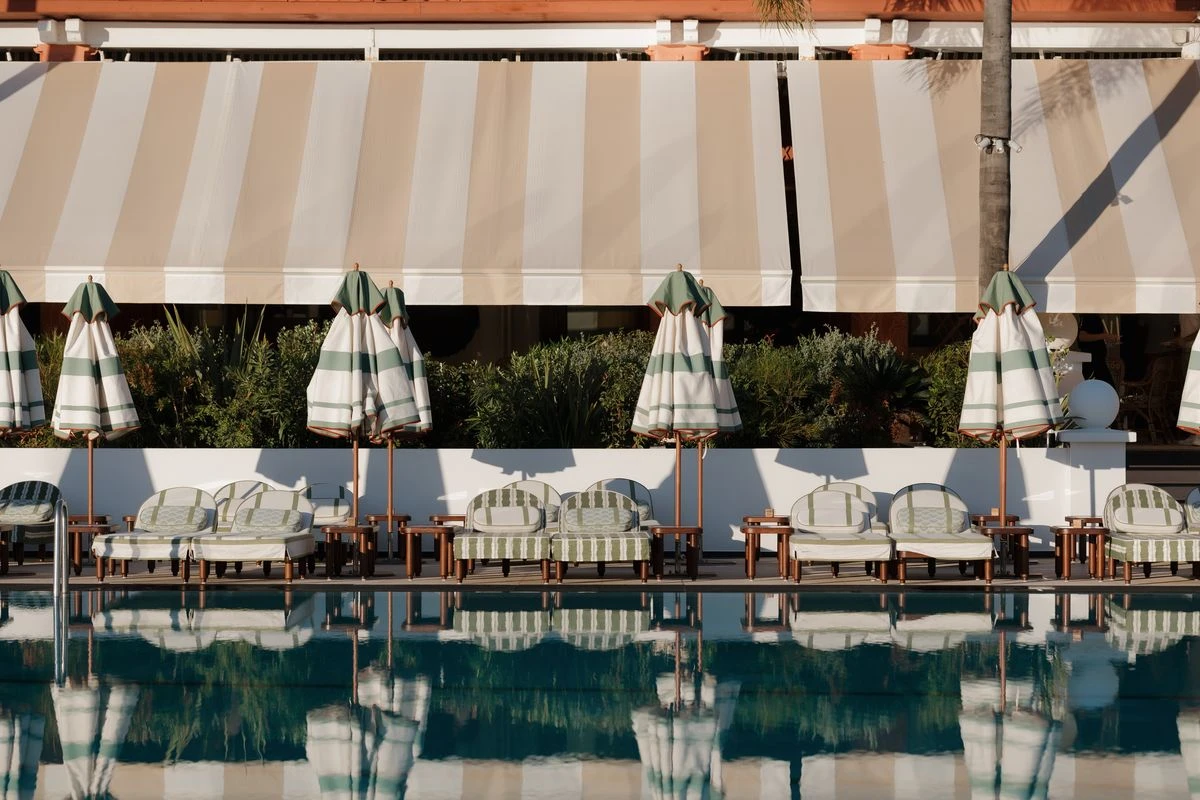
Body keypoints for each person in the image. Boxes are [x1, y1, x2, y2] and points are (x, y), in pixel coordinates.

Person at [1076, 314, 1119, 386]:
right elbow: (1082, 337)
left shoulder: (1096, 317)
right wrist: (1104, 336)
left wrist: (1107, 339)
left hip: (1099, 360)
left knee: (1107, 386)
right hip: (1092, 361)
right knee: (1105, 386)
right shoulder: (1088, 316)